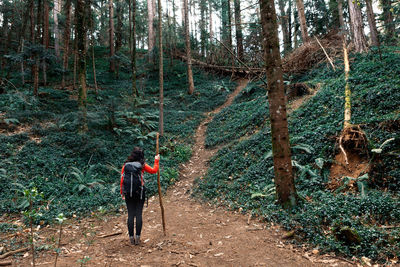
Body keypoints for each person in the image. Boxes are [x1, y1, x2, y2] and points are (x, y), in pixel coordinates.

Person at [120, 147, 160, 245]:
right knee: (138, 214)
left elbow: (122, 180)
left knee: (130, 215)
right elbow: (154, 170)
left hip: (128, 193)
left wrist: (122, 193)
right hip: (140, 193)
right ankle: (138, 237)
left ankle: (131, 238)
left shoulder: (125, 165)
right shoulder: (142, 165)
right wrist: (156, 160)